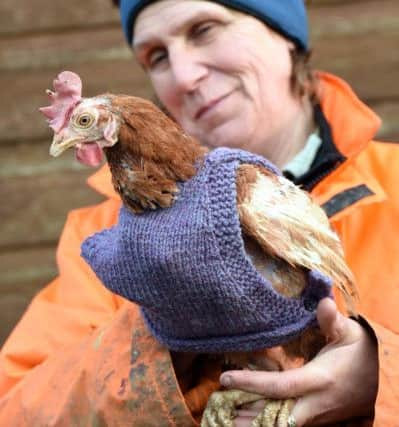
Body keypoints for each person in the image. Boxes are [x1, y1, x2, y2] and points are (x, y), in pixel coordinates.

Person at [0, 0, 398, 425]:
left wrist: (381, 377)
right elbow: (17, 408)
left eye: (204, 29)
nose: (185, 76)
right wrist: (170, 340)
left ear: (284, 35)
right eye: (157, 56)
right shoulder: (110, 240)